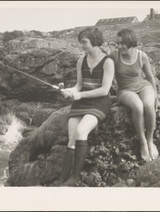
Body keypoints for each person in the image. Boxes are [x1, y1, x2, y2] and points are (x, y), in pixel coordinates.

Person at [58, 28, 115, 186]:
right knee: (71, 138)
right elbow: (79, 85)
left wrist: (81, 95)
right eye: (81, 42)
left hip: (100, 101)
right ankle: (63, 177)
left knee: (81, 131)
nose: (81, 45)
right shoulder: (81, 60)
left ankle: (74, 178)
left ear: (95, 41)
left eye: (84, 42)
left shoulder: (108, 62)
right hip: (82, 101)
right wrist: (70, 91)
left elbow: (105, 90)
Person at [109, 29, 160, 162]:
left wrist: (157, 98)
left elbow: (150, 77)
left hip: (143, 86)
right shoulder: (114, 56)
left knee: (149, 105)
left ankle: (150, 141)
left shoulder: (141, 56)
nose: (119, 46)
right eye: (117, 43)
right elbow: (104, 72)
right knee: (138, 106)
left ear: (131, 42)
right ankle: (143, 143)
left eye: (122, 43)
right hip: (125, 90)